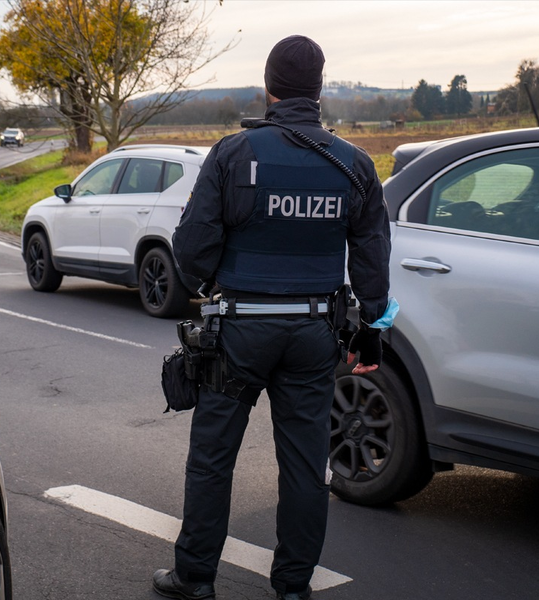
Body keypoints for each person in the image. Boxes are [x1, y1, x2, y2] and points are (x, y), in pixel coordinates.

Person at [152, 35, 391, 600]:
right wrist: (372, 328)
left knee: (212, 458)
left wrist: (214, 285)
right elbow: (373, 256)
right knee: (306, 466)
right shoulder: (353, 164)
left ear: (269, 87)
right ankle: (292, 587)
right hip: (315, 334)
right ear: (318, 88)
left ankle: (195, 578)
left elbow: (191, 247)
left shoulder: (234, 154)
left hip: (238, 331)